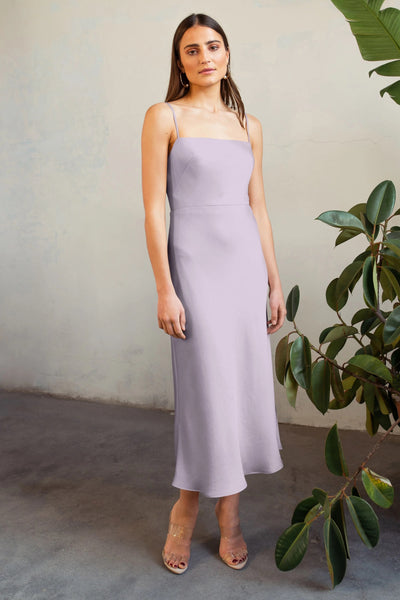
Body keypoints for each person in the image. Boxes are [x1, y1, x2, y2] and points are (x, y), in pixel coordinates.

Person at [141, 13, 286, 575]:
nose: (205, 56)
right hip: (193, 266)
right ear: (180, 61)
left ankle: (230, 514)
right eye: (192, 49)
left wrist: (274, 281)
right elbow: (155, 207)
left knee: (242, 388)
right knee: (205, 391)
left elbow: (259, 208)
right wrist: (164, 287)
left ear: (227, 54)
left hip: (244, 267)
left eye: (214, 46)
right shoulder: (164, 116)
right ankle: (186, 507)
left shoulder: (249, 124)